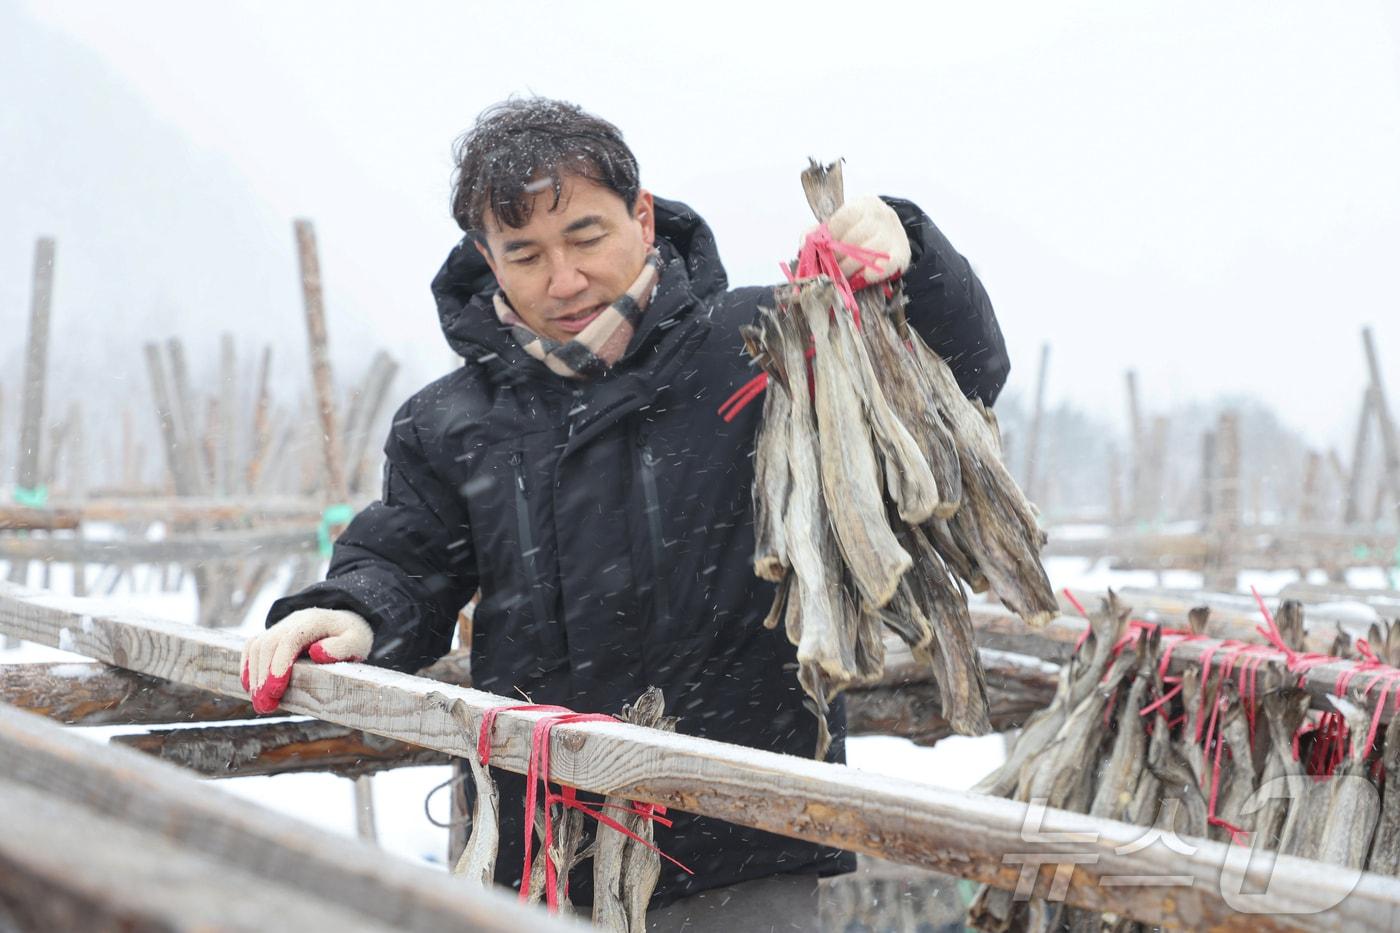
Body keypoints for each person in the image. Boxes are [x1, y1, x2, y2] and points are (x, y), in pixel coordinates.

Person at [241, 96, 1009, 928]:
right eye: (525, 253)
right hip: (536, 854)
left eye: (586, 237)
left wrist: (911, 257)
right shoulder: (451, 421)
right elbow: (407, 561)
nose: (564, 279)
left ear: (642, 217)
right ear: (486, 256)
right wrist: (352, 608)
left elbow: (961, 373)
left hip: (742, 843)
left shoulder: (766, 344)